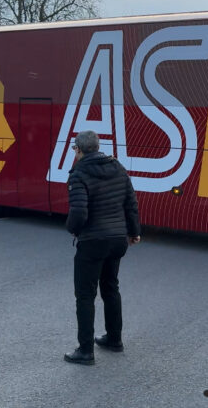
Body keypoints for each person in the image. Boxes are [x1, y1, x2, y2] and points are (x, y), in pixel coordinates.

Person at [64, 130, 141, 366]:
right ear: (97, 147)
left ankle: (85, 351)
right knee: (110, 288)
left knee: (85, 295)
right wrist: (134, 231)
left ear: (78, 149)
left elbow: (78, 211)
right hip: (117, 239)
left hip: (93, 241)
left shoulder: (79, 173)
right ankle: (114, 339)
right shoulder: (117, 167)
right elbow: (130, 202)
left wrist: (73, 229)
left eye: (74, 149)